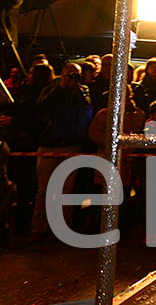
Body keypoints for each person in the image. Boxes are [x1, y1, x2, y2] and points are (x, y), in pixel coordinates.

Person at [29, 63, 92, 241]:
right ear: (62, 74)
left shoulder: (83, 91)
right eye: (69, 75)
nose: (73, 79)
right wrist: (61, 88)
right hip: (49, 144)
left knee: (66, 191)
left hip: (71, 145)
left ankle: (63, 230)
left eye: (76, 76)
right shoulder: (50, 89)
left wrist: (74, 90)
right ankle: (38, 228)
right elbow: (42, 108)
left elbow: (84, 110)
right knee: (44, 190)